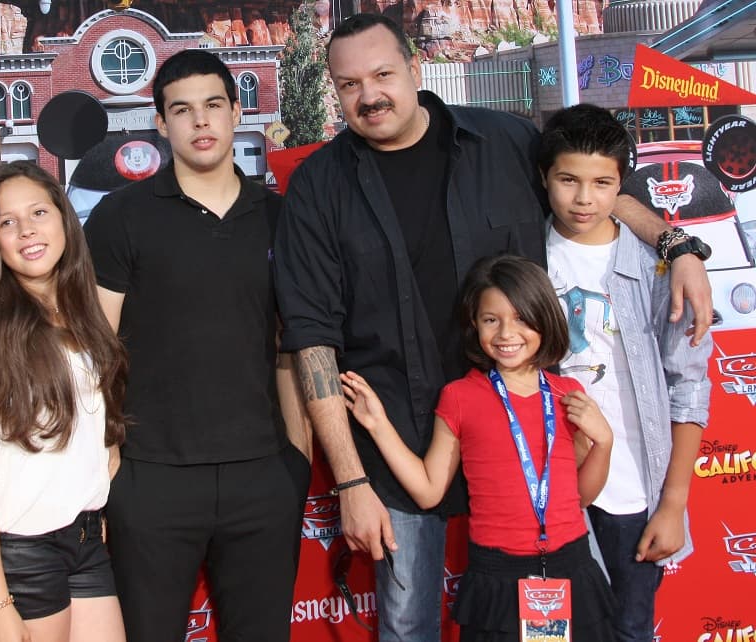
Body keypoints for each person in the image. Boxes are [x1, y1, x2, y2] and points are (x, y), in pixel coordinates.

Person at [272, 13, 714, 640]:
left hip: (530, 439)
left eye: (383, 74)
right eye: (349, 85)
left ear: (416, 69)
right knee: (407, 625)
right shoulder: (320, 185)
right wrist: (350, 480)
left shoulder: (504, 141)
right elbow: (311, 336)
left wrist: (678, 246)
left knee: (571, 622)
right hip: (399, 444)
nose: (369, 95)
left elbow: (591, 189)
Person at [84, 49, 312, 642]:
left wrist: (298, 457)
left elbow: (293, 344)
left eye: (213, 105)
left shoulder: (282, 217)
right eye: (182, 110)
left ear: (237, 112)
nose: (200, 121)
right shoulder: (121, 216)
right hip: (151, 476)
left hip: (262, 474)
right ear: (161, 124)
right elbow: (95, 349)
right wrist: (108, 462)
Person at [342, 254, 617, 641]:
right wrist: (378, 424)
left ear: (544, 318)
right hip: (495, 577)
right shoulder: (459, 397)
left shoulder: (568, 394)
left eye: (521, 318)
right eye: (491, 320)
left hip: (571, 567)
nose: (506, 333)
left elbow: (581, 497)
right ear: (474, 324)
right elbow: (428, 490)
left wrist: (603, 442)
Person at [539, 104, 712, 641]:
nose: (584, 198)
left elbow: (689, 385)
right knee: (549, 631)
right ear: (544, 178)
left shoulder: (657, 267)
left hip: (634, 492)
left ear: (621, 186)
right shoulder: (525, 258)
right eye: (568, 180)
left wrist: (673, 501)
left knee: (629, 629)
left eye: (601, 183)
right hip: (547, 488)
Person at [0, 161, 128, 642]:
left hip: (85, 543)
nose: (27, 230)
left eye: (39, 212)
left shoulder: (85, 318)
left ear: (64, 218)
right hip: (17, 556)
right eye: (7, 222)